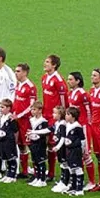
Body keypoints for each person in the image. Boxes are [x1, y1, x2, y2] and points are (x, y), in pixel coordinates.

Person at [67, 71, 95, 191]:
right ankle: (79, 178)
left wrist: (88, 124)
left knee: (86, 154)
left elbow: (89, 110)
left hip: (83, 127)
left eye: (71, 79)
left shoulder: (83, 94)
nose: (69, 81)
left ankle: (92, 181)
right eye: (68, 79)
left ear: (78, 81)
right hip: (74, 126)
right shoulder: (71, 93)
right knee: (76, 153)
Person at [41, 54, 67, 182]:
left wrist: (62, 118)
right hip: (45, 115)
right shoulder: (44, 78)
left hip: (54, 117)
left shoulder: (59, 81)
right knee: (43, 143)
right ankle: (43, 170)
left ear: (54, 65)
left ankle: (52, 173)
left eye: (47, 62)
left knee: (52, 144)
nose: (44, 64)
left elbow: (63, 101)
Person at [12, 63, 37, 178]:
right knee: (21, 145)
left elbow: (32, 106)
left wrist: (20, 115)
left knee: (31, 145)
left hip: (26, 121)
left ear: (25, 72)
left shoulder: (30, 87)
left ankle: (37, 172)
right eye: (15, 71)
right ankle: (25, 171)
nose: (16, 73)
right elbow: (16, 101)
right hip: (17, 119)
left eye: (18, 71)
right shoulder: (18, 84)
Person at [27, 101, 50, 188]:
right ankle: (37, 177)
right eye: (32, 109)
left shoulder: (43, 121)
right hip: (33, 143)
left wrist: (45, 144)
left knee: (41, 161)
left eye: (34, 109)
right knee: (35, 161)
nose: (32, 111)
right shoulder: (31, 120)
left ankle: (42, 179)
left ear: (40, 110)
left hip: (40, 144)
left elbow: (46, 134)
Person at [64, 106, 86, 196]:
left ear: (73, 116)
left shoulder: (77, 127)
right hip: (69, 149)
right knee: (71, 168)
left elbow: (83, 139)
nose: (65, 116)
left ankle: (80, 189)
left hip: (76, 150)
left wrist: (83, 150)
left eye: (68, 114)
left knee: (78, 168)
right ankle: (73, 187)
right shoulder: (68, 125)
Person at [0, 98, 19, 183]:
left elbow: (16, 130)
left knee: (11, 159)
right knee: (6, 158)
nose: (0, 109)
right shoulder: (2, 117)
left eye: (2, 107)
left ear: (8, 108)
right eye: (0, 107)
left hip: (9, 141)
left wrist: (15, 141)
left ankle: (13, 176)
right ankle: (8, 174)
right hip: (3, 140)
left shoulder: (11, 118)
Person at [50, 106, 69, 194]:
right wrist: (35, 132)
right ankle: (63, 180)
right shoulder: (57, 123)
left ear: (60, 114)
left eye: (54, 113)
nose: (52, 114)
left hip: (63, 147)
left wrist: (58, 147)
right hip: (59, 147)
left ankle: (66, 182)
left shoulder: (62, 124)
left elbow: (63, 137)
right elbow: (49, 129)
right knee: (62, 163)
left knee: (65, 163)